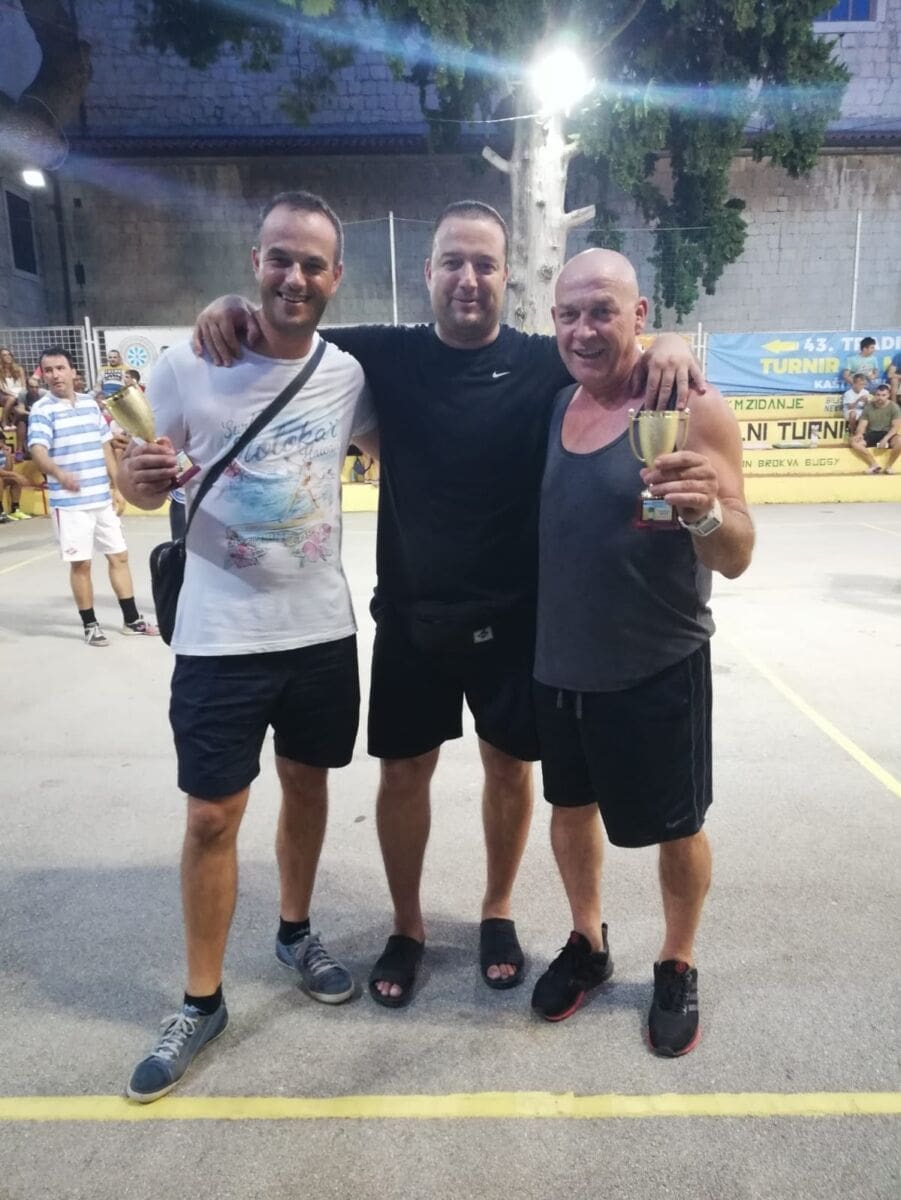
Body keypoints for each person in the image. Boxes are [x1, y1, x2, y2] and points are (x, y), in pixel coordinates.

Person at [193, 200, 704, 1008]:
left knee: (509, 769)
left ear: (507, 277)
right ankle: (407, 925)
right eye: (453, 263)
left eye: (484, 264)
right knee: (403, 775)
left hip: (516, 620)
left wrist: (670, 340)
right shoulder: (381, 355)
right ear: (427, 273)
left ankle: (497, 910)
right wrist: (230, 306)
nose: (468, 279)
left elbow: (624, 353)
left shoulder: (543, 360)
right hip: (411, 618)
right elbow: (288, 323)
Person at [116, 191, 378, 1104]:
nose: (293, 277)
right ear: (253, 262)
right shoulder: (189, 361)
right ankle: (201, 1000)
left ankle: (295, 932)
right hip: (218, 637)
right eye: (279, 258)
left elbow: (407, 437)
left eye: (311, 263)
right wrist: (139, 478)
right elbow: (135, 478)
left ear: (335, 276)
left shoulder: (349, 374)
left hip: (320, 632)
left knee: (308, 787)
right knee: (211, 818)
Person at [529, 249, 753, 1056]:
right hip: (559, 663)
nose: (584, 330)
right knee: (568, 810)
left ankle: (676, 959)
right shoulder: (553, 403)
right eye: (568, 314)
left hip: (658, 664)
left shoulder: (693, 407)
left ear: (639, 314)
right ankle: (587, 941)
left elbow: (736, 553)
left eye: (602, 311)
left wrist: (703, 514)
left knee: (677, 827)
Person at [26, 348, 158, 645]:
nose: (55, 375)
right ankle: (90, 624)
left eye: (60, 368)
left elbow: (105, 446)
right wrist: (59, 473)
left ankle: (132, 619)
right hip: (70, 504)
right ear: (43, 375)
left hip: (101, 499)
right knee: (81, 564)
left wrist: (117, 487)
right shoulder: (42, 410)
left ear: (73, 372)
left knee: (119, 556)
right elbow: (38, 451)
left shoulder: (89, 404)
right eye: (48, 370)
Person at [849, 383, 901, 474]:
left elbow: (895, 427)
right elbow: (862, 424)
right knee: (854, 441)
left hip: (888, 434)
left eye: (883, 395)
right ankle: (874, 465)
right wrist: (859, 434)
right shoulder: (869, 406)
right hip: (872, 433)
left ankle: (889, 466)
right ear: (875, 395)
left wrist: (885, 439)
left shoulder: (894, 407)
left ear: (888, 395)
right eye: (878, 395)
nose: (880, 397)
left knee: (900, 441)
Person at [0, 439, 31, 521]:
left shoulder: (2, 453)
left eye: (2, 442)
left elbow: (8, 470)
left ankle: (15, 510)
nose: (2, 444)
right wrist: (16, 475)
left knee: (15, 481)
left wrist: (8, 456)